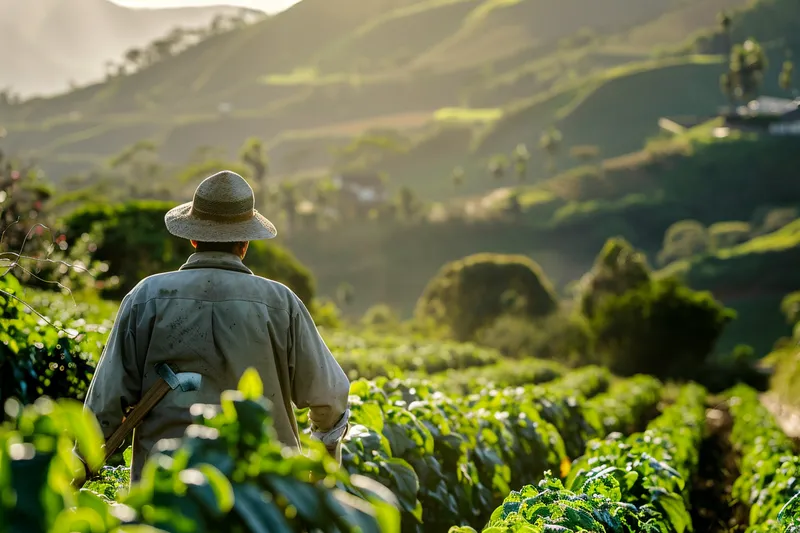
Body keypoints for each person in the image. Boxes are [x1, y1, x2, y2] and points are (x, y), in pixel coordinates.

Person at [82, 170, 351, 482]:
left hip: (167, 489)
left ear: (193, 237)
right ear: (246, 242)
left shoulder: (147, 297)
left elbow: (104, 405)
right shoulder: (281, 303)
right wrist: (324, 462)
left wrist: (80, 465)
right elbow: (330, 399)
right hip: (262, 493)